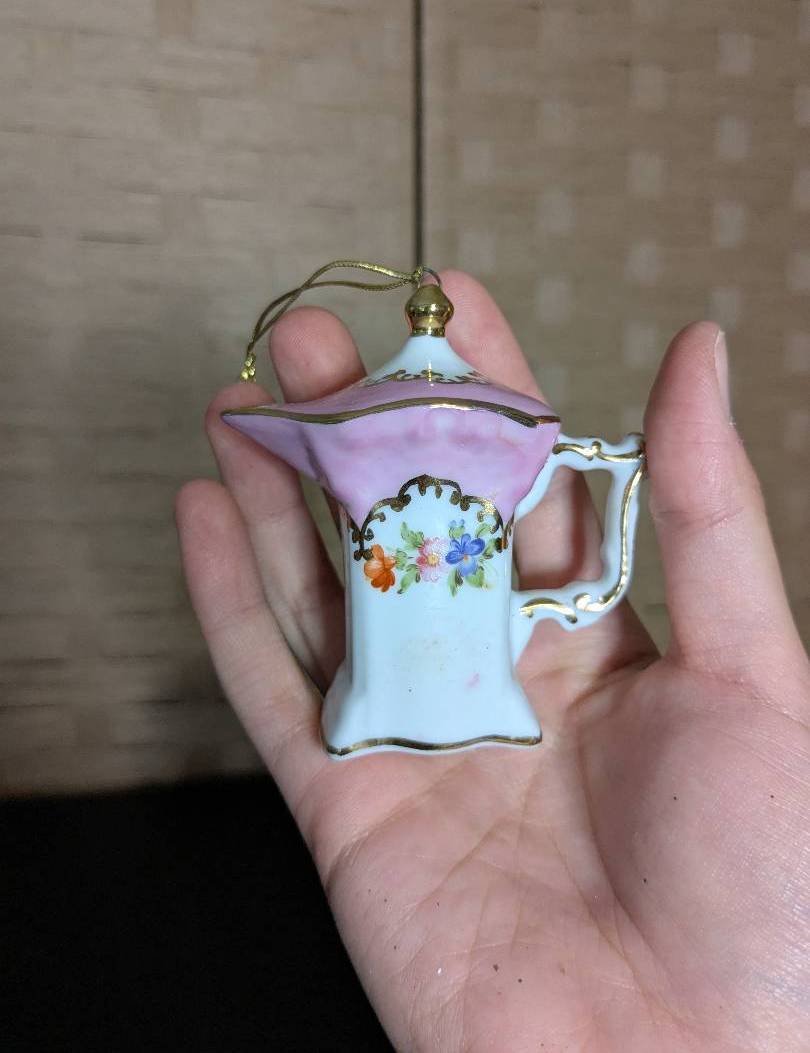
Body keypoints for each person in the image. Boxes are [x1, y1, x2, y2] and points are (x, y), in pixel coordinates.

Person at [176, 271, 810, 1051]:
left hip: (431, 699)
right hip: (379, 703)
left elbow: (609, 460)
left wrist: (588, 592)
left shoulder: (514, 442)